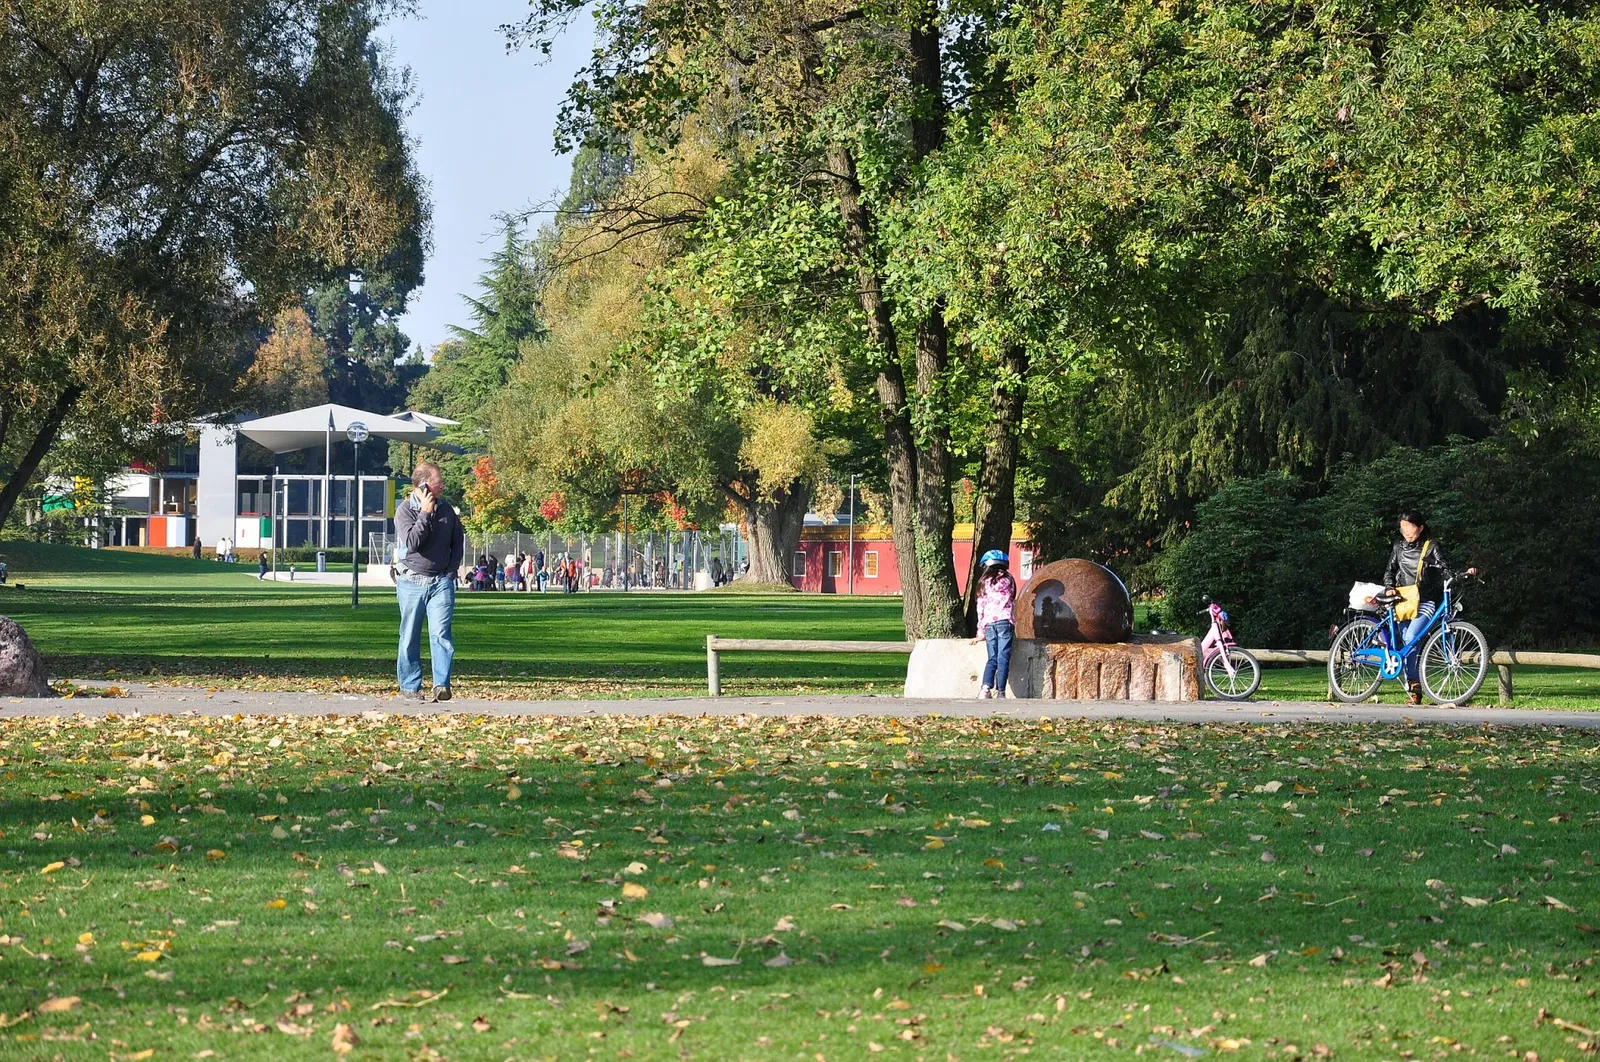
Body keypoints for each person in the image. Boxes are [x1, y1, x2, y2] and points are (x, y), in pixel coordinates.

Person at [394, 462, 465, 703]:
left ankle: (441, 685)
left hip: (441, 582)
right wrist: (425, 512)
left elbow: (458, 541)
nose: (442, 486)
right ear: (423, 485)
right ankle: (410, 685)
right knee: (409, 636)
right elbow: (413, 542)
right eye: (438, 482)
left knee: (441, 634)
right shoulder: (405, 511)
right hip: (411, 581)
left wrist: (451, 571)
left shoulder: (446, 511)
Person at [1382, 509, 1451, 705]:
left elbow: (1445, 567)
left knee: (1411, 639)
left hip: (1425, 602)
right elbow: (1389, 571)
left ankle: (1414, 686)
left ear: (1420, 528)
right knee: (1407, 644)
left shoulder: (1431, 547)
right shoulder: (1398, 548)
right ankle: (1414, 689)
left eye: (1410, 527)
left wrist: (1458, 574)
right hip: (1403, 602)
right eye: (1403, 528)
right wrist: (1389, 588)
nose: (1406, 532)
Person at [971, 549, 1017, 699]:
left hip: (990, 624)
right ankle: (1001, 692)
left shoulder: (983, 583)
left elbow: (981, 608)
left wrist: (980, 633)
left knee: (992, 657)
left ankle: (985, 688)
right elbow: (1012, 600)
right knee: (1003, 656)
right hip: (1004, 622)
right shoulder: (1009, 580)